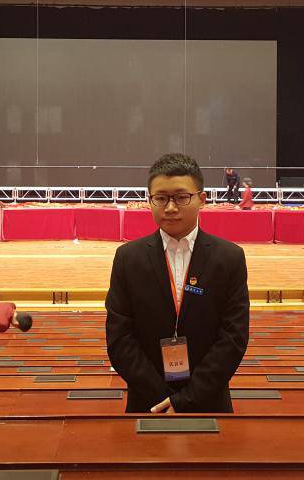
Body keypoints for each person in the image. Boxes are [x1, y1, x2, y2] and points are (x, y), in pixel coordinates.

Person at [105, 153, 249, 414]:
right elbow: (120, 339)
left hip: (209, 403)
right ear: (149, 200)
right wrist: (163, 398)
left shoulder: (229, 258)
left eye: (182, 197)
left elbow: (233, 338)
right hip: (148, 405)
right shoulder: (128, 258)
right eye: (161, 198)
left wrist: (186, 399)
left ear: (202, 199)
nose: (170, 207)